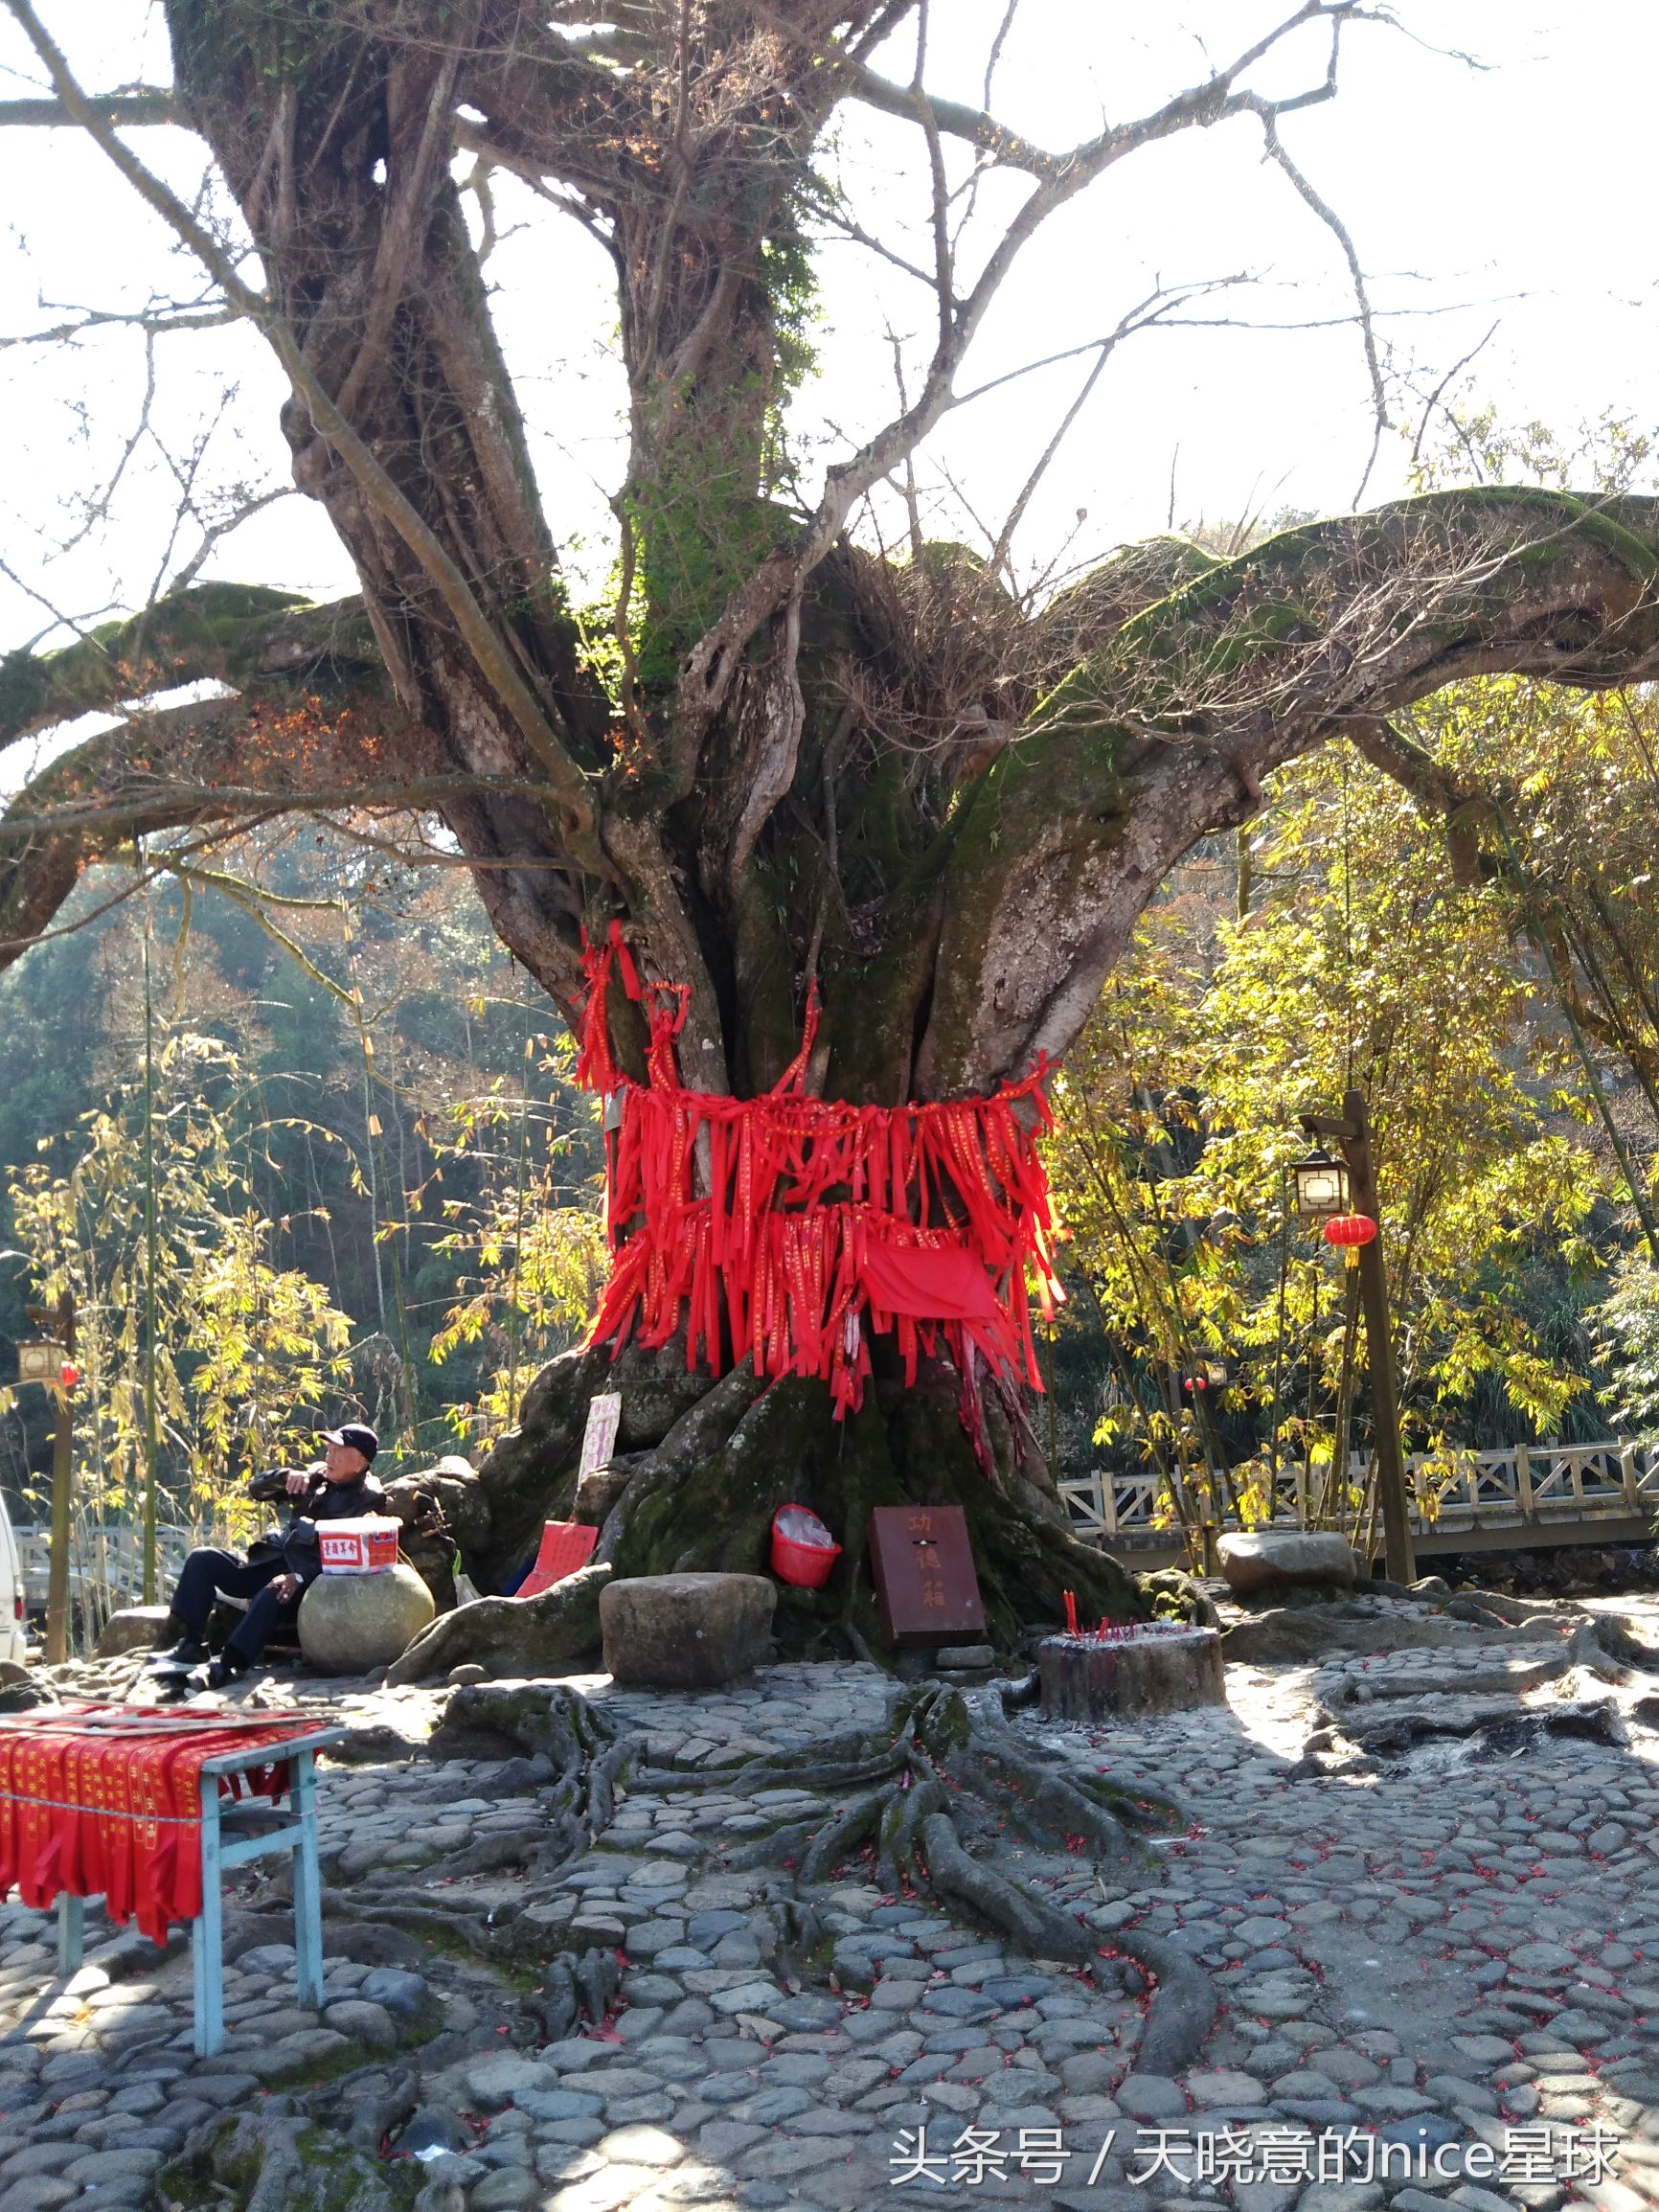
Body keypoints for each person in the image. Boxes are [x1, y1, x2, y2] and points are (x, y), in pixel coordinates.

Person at [156, 1425, 385, 1686]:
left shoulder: (369, 1500)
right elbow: (256, 1490)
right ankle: (191, 1644)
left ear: (359, 1462)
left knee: (273, 1591)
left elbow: (353, 1554)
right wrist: (285, 1476)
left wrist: (299, 1576)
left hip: (311, 1580)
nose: (329, 1456)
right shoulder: (318, 1479)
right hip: (271, 1558)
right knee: (202, 1559)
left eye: (338, 1451)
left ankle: (229, 1664)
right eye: (329, 1449)